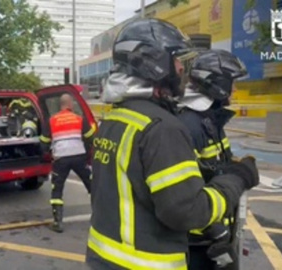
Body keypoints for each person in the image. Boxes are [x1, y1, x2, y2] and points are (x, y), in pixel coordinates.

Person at [85, 19, 260, 270]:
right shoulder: (162, 128)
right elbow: (187, 211)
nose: (182, 68)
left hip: (103, 260)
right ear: (154, 63)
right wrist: (236, 180)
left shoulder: (115, 118)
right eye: (177, 60)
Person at [178, 49, 248, 270]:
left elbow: (216, 168)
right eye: (232, 83)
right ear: (217, 83)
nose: (235, 89)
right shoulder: (190, 124)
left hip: (215, 236)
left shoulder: (209, 119)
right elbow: (187, 187)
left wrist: (239, 172)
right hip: (199, 242)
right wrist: (216, 230)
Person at [39, 94, 95, 233]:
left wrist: (47, 154)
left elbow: (44, 141)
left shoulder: (52, 120)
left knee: (57, 189)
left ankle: (58, 222)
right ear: (70, 104)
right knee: (92, 186)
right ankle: (100, 217)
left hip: (61, 158)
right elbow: (90, 138)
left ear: (60, 105)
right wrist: (88, 156)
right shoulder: (79, 119)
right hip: (79, 156)